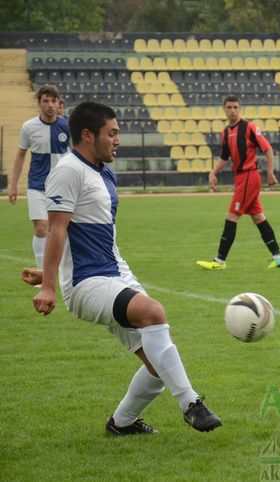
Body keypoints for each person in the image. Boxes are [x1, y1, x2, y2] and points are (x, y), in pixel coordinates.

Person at [28, 101, 222, 435]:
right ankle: (191, 405)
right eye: (112, 133)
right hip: (86, 282)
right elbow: (57, 228)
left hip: (115, 273)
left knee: (159, 362)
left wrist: (46, 274)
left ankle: (122, 423)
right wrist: (48, 284)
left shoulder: (102, 170)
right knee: (154, 312)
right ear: (88, 136)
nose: (118, 139)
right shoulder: (68, 170)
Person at [197, 94, 280, 270]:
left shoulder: (249, 127)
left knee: (232, 216)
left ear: (240, 108)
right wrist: (213, 172)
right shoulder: (225, 133)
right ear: (223, 109)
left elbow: (268, 149)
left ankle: (219, 261)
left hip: (249, 176)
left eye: (235, 107)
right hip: (240, 178)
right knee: (258, 217)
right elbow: (224, 156)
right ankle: (278, 257)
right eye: (229, 107)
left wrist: (270, 173)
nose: (232, 111)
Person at [8, 85, 70, 269]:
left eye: (53, 101)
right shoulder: (29, 126)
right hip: (37, 185)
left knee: (59, 230)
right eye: (46, 101)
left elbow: (77, 154)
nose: (50, 105)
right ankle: (41, 273)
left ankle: (63, 270)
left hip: (61, 186)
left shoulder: (67, 125)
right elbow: (20, 155)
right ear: (39, 103)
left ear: (58, 103)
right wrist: (13, 185)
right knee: (41, 227)